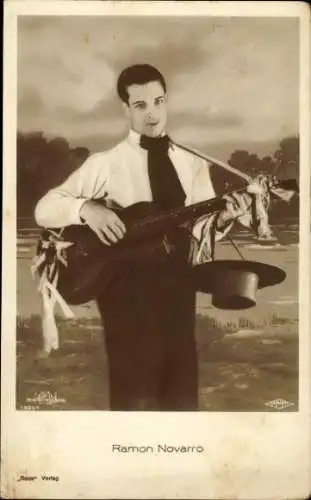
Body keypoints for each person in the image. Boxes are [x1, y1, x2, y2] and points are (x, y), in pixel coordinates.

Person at [34, 64, 244, 411]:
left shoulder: (194, 163)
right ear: (125, 108)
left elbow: (201, 233)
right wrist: (87, 208)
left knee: (179, 392)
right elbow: (45, 208)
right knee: (133, 394)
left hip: (178, 285)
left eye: (159, 102)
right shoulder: (107, 163)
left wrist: (226, 217)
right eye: (141, 105)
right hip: (124, 291)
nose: (153, 114)